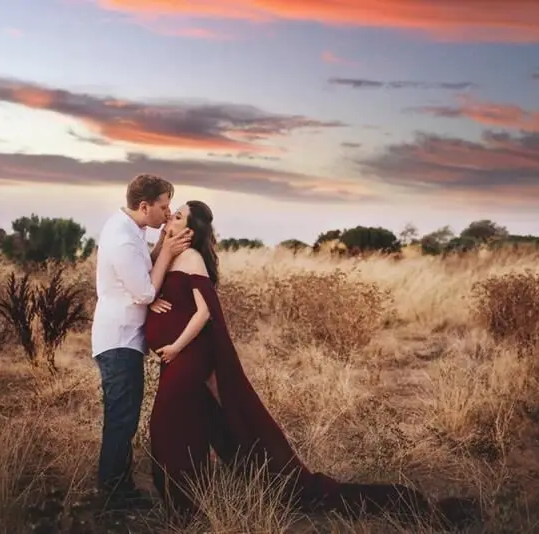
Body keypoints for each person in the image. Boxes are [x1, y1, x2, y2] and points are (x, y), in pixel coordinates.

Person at [144, 200, 477, 528]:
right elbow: (147, 288)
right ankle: (186, 506)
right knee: (181, 429)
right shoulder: (172, 256)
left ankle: (185, 511)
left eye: (177, 216)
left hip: (186, 357)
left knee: (166, 429)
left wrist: (174, 345)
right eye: (171, 214)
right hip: (173, 360)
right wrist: (162, 250)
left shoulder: (191, 258)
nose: (169, 218)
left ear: (191, 230)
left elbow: (205, 313)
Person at [90, 174, 192, 510]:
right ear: (144, 206)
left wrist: (162, 244)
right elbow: (145, 291)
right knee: (121, 418)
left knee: (124, 417)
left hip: (124, 338)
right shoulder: (122, 238)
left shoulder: (131, 230)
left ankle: (119, 488)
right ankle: (115, 496)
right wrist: (168, 253)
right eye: (163, 207)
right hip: (118, 340)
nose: (168, 212)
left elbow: (142, 270)